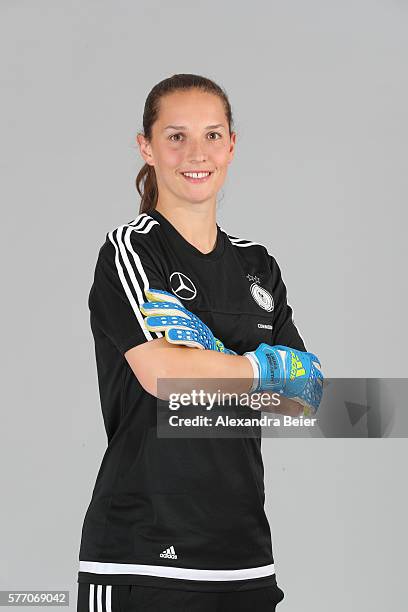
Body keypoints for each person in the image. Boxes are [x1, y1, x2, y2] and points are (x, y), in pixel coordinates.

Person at [76, 74, 323, 612]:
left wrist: (203, 355)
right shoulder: (133, 251)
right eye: (175, 136)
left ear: (232, 145)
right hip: (141, 555)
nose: (197, 153)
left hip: (243, 555)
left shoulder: (257, 266)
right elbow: (163, 377)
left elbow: (306, 395)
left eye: (213, 135)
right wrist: (260, 369)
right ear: (147, 146)